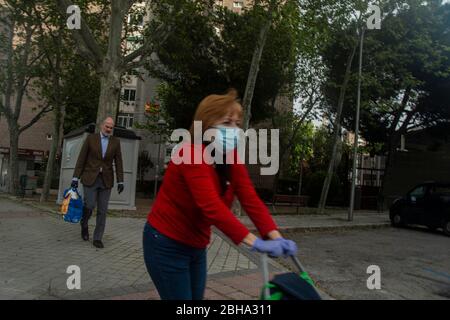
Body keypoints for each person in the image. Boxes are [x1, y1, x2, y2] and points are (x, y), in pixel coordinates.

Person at [142, 89, 298, 300]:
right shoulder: (190, 153)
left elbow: (249, 197)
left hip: (196, 245)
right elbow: (211, 207)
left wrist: (275, 236)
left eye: (236, 124)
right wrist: (256, 242)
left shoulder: (229, 155)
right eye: (226, 123)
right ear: (206, 126)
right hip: (166, 244)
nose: (234, 130)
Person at [71, 117, 124, 249]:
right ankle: (84, 223)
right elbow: (81, 158)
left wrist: (121, 181)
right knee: (89, 204)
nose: (109, 129)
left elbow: (118, 162)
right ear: (102, 126)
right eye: (107, 126)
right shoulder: (91, 139)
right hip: (90, 177)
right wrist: (75, 178)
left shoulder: (116, 142)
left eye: (111, 128)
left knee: (103, 210)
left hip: (106, 180)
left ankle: (97, 238)